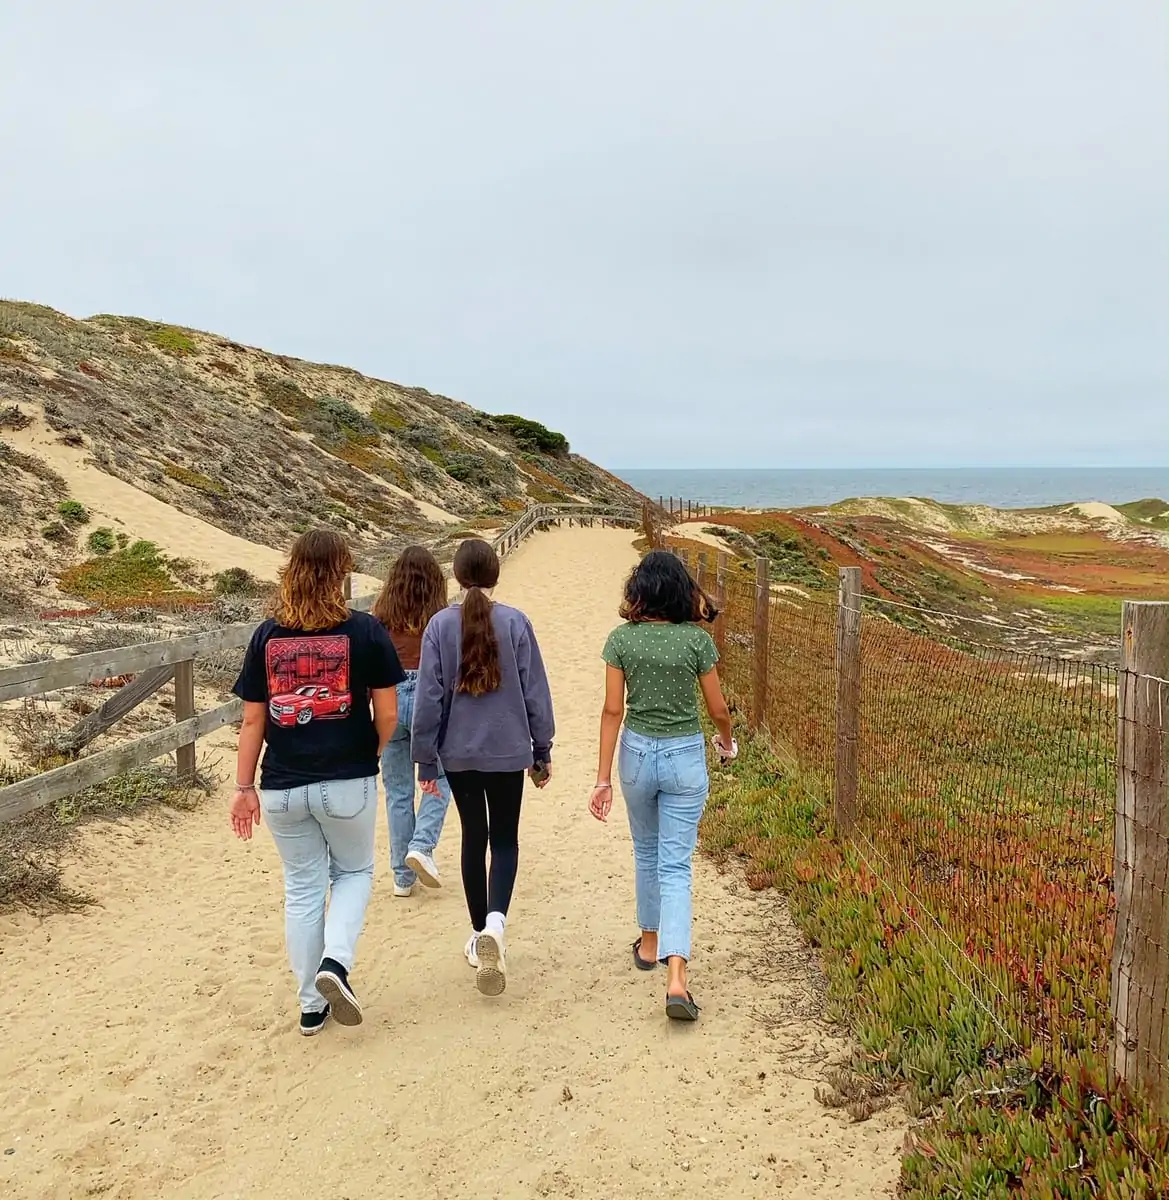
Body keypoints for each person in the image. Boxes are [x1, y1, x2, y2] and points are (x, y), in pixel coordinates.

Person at [229, 529, 405, 1036]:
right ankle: (336, 964)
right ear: (341, 573)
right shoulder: (366, 631)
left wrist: (244, 789)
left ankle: (311, 1004)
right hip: (347, 779)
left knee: (303, 889)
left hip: (282, 786)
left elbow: (253, 723)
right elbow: (388, 715)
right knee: (354, 874)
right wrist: (367, 752)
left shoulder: (267, 636)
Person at [588, 550, 736, 1022]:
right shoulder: (696, 643)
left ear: (640, 591)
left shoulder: (621, 641)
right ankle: (677, 978)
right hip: (684, 756)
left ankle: (648, 944)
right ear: (679, 590)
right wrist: (727, 742)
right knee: (676, 864)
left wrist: (602, 778)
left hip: (636, 754)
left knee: (645, 852)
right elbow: (718, 710)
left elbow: (613, 710)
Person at [411, 538, 554, 997]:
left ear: (456, 576)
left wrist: (425, 759)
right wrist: (542, 747)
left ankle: (478, 934)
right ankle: (496, 924)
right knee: (506, 840)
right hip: (508, 751)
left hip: (459, 754)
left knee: (474, 839)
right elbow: (536, 690)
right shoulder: (515, 622)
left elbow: (429, 699)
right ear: (494, 575)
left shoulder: (439, 626)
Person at [371, 546, 453, 897]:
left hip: (388, 697)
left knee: (398, 792)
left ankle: (402, 877)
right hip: (427, 699)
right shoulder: (441, 618)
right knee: (441, 778)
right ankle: (422, 844)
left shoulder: (381, 617)